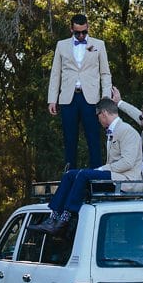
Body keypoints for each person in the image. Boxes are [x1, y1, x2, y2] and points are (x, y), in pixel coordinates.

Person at [31, 98, 141, 234]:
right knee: (70, 174)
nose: (98, 120)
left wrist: (101, 169)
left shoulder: (127, 131)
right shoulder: (113, 131)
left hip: (127, 180)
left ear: (104, 113)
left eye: (98, 115)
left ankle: (65, 219)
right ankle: (53, 218)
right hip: (114, 176)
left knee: (83, 174)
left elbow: (128, 162)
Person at [46, 14, 111, 171]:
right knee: (69, 141)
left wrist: (105, 99)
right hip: (68, 99)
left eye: (84, 32)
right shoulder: (61, 45)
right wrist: (52, 99)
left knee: (93, 140)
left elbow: (105, 73)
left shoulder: (99, 44)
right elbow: (56, 73)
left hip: (91, 99)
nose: (81, 35)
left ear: (88, 27)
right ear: (71, 30)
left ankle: (96, 180)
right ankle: (70, 178)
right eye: (77, 33)